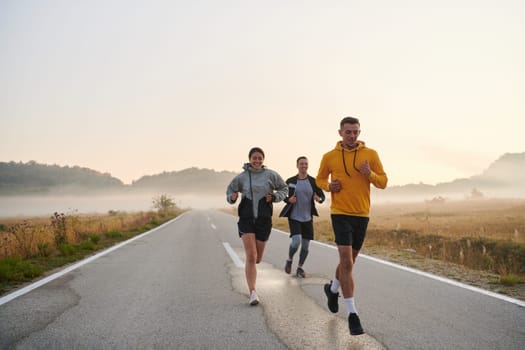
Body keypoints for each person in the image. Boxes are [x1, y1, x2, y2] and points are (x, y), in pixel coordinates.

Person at [316, 116, 387, 335]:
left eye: (356, 132)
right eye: (348, 132)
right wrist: (329, 186)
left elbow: (383, 182)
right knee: (346, 261)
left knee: (350, 262)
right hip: (340, 213)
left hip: (362, 214)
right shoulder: (329, 157)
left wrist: (370, 174)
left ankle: (333, 288)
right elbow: (318, 180)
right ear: (340, 133)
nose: (353, 136)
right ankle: (353, 315)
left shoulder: (370, 154)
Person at [226, 147, 288, 306]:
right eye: (254, 158)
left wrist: (274, 197)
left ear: (263, 160)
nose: (257, 161)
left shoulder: (271, 175)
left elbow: (284, 188)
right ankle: (253, 292)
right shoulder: (242, 177)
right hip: (246, 219)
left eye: (260, 158)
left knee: (258, 258)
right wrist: (232, 198)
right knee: (251, 256)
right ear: (249, 159)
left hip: (264, 220)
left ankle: (253, 283)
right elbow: (230, 191)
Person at [279, 156, 325, 278]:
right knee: (296, 241)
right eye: (301, 164)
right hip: (294, 216)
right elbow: (282, 194)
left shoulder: (313, 181)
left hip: (307, 218)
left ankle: (299, 267)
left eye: (305, 164)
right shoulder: (290, 181)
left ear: (308, 165)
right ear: (297, 165)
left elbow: (322, 196)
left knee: (305, 245)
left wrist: (318, 199)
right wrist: (289, 199)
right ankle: (289, 259)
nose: (304, 166)